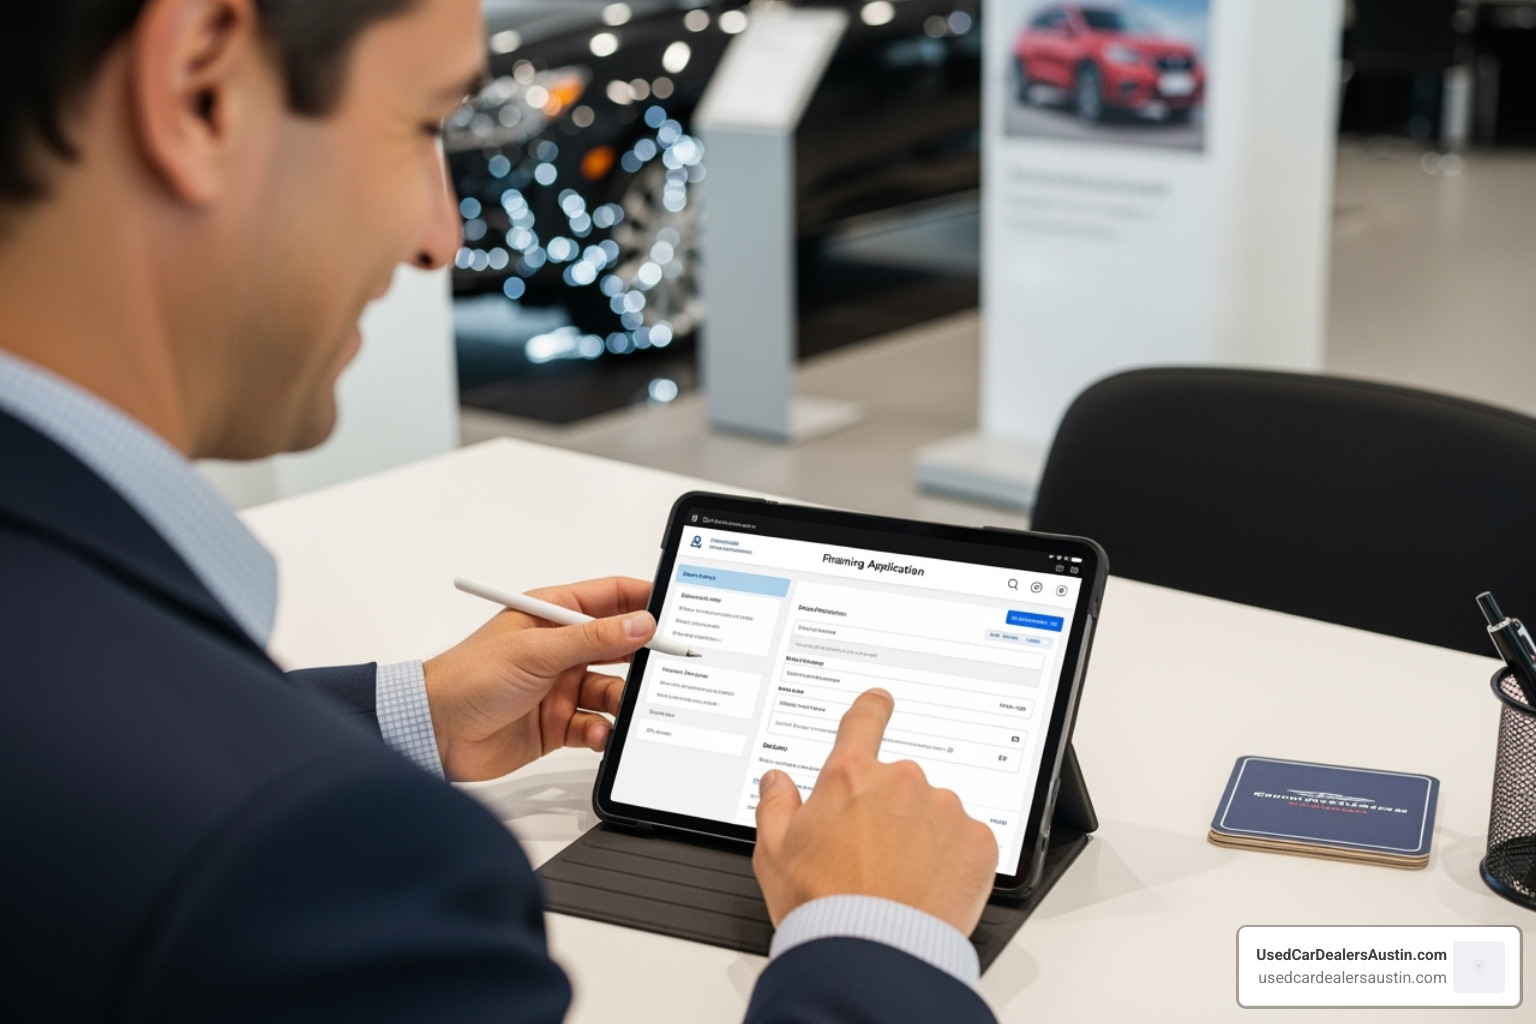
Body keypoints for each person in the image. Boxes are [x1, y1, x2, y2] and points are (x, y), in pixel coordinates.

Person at [0, 1, 1001, 1020]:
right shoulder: (311, 867)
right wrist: (876, 943)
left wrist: (401, 713)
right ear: (201, 91)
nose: (439, 240)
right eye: (420, 124)